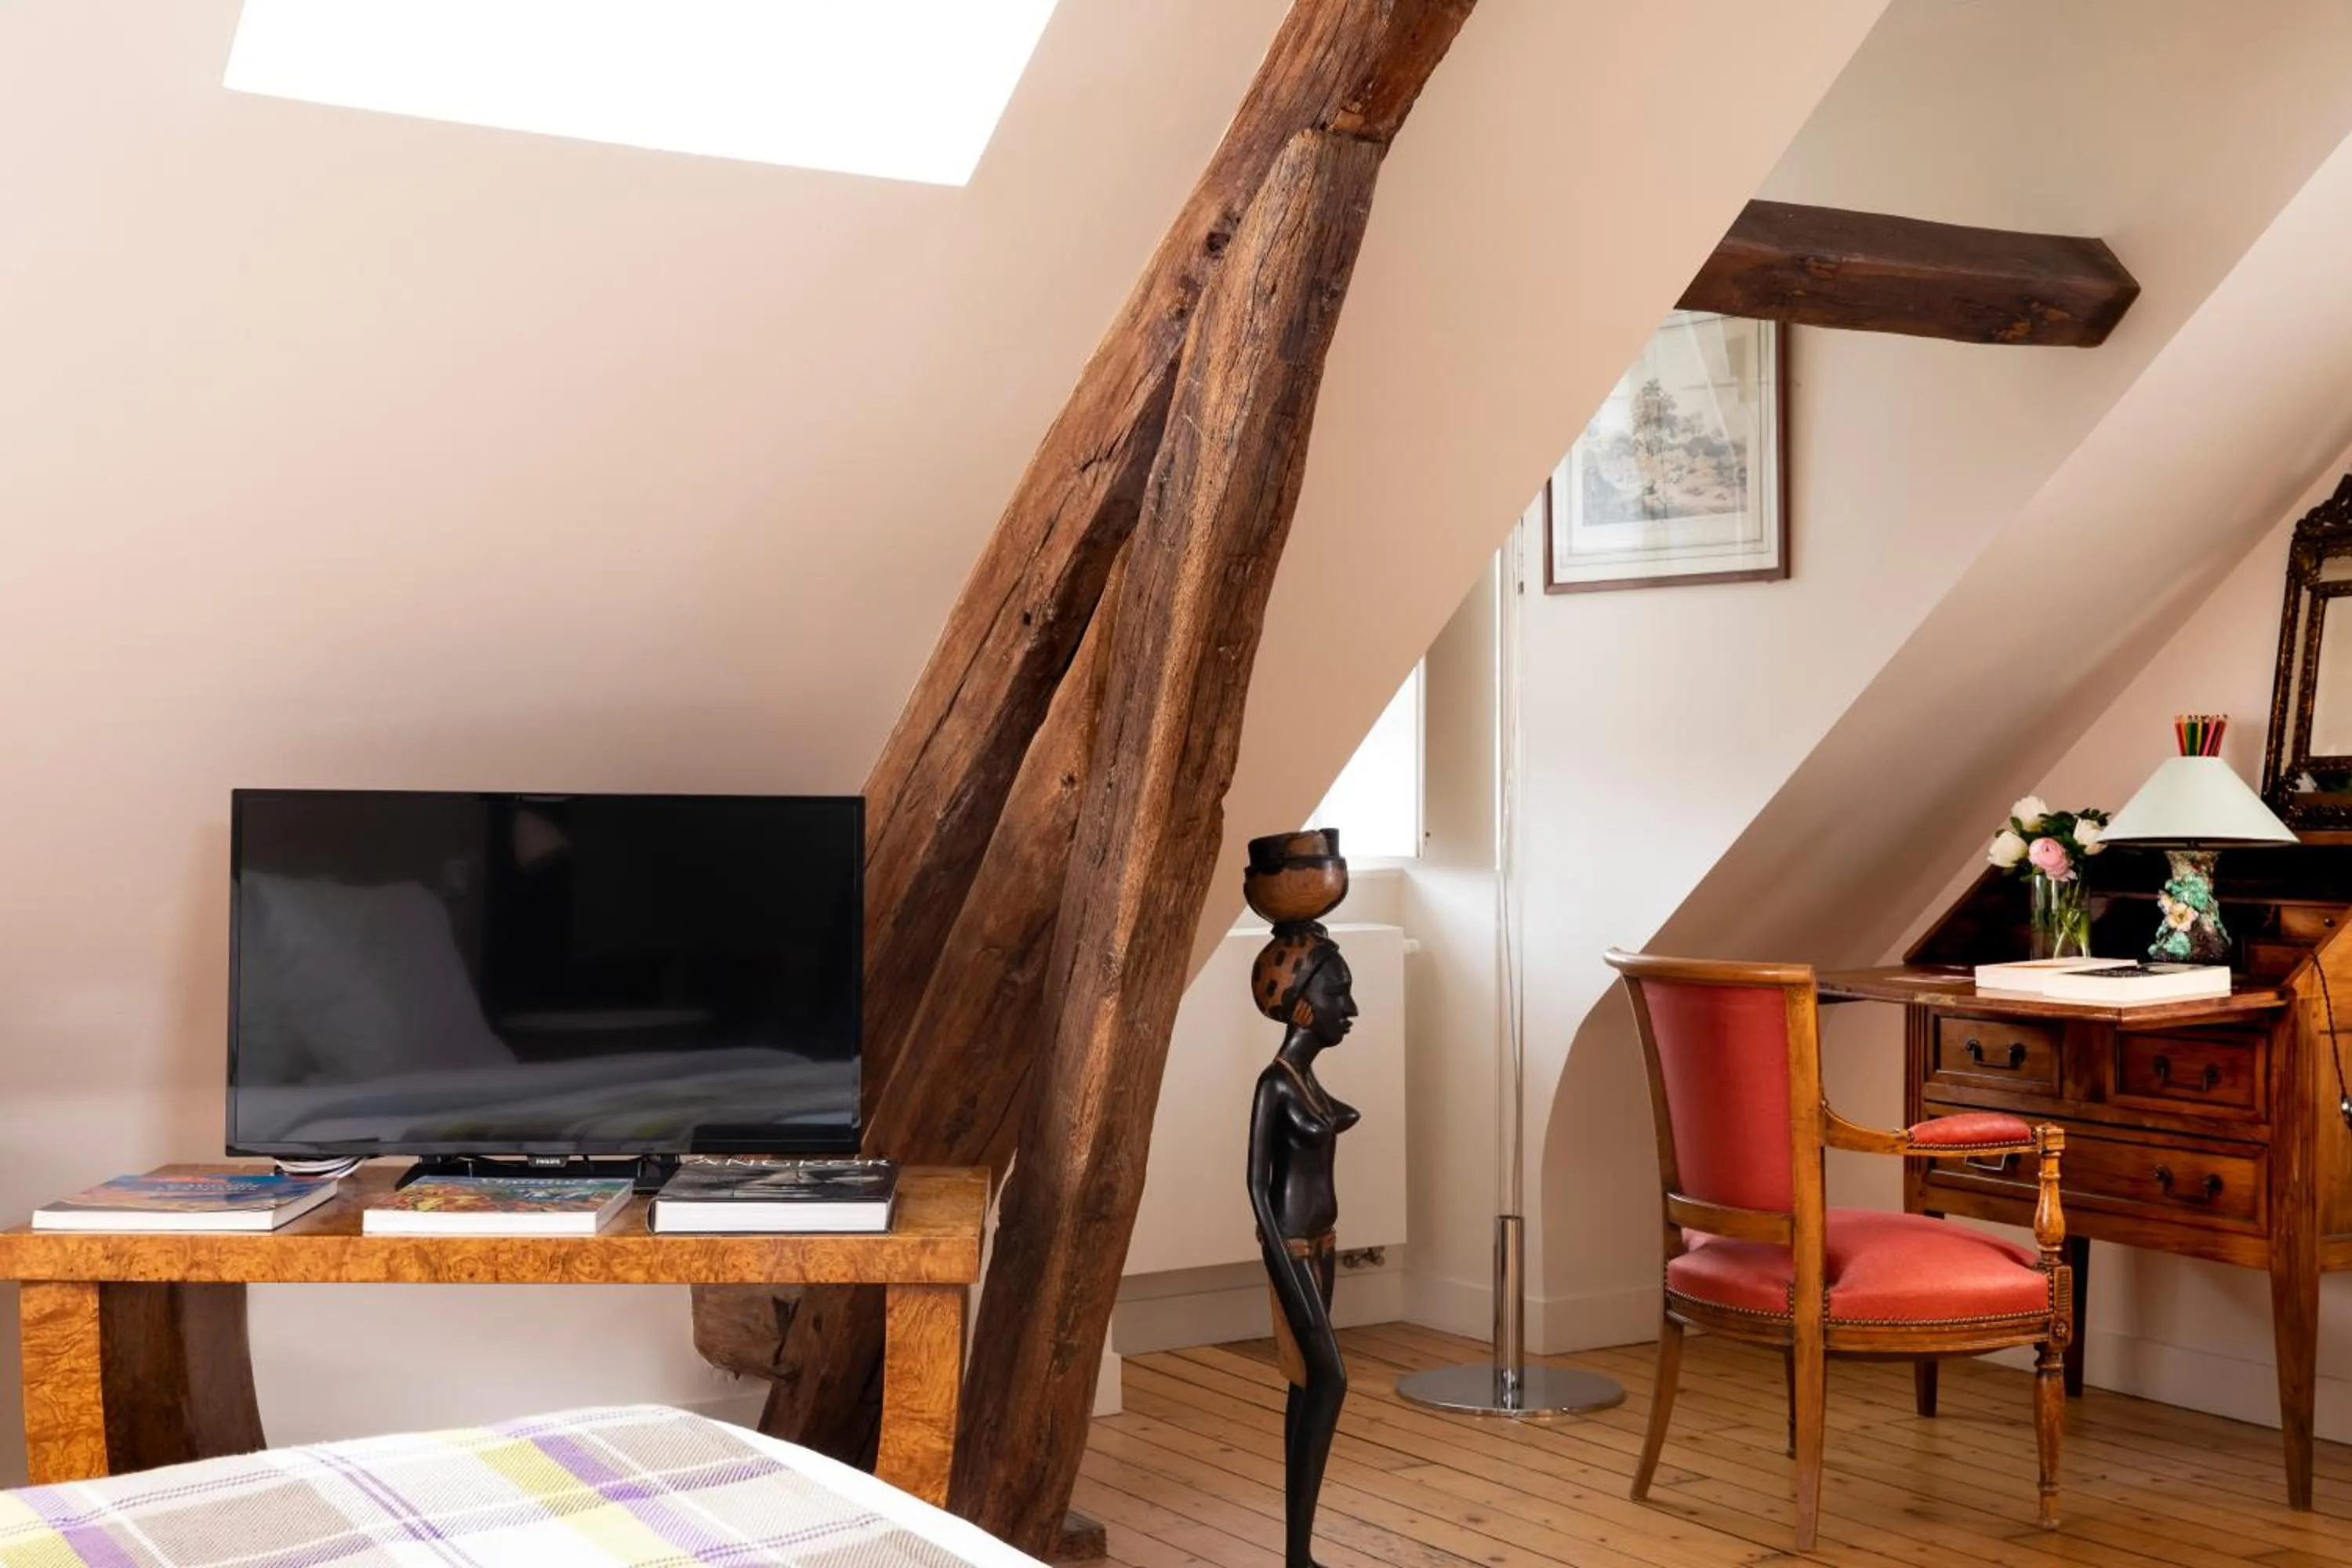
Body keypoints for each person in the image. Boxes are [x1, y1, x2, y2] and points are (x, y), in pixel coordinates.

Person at [1245, 931, 1359, 1568]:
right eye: (1339, 991)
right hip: (1289, 1245)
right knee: (1331, 1381)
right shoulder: (1277, 1085)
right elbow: (1256, 1185)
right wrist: (1278, 1256)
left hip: (1323, 1243)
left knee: (1306, 1384)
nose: (1351, 1007)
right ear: (1304, 1004)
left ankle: (1298, 1556)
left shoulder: (1306, 1080)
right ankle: (1298, 1554)